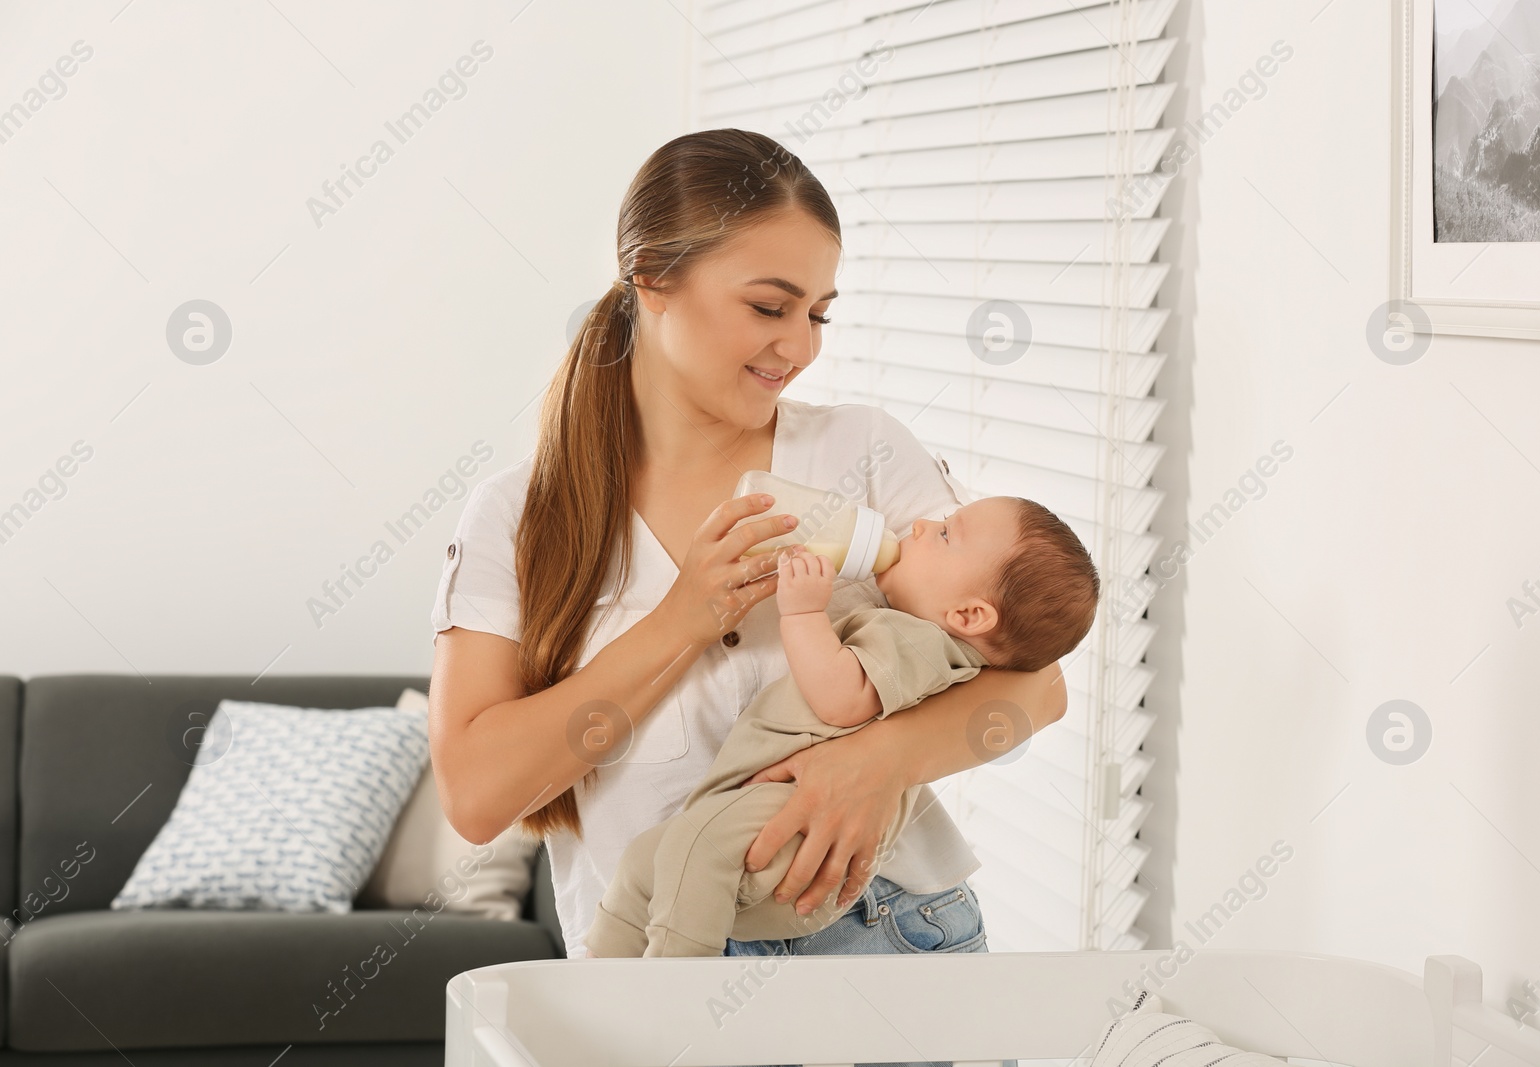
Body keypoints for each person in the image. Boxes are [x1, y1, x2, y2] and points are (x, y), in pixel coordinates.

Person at [428, 128, 1064, 1067]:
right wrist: (683, 619)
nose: (797, 346)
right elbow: (478, 795)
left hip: (885, 944)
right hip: (657, 970)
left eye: (820, 313)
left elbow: (1031, 691)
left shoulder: (863, 453)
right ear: (651, 276)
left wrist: (876, 760)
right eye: (770, 305)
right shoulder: (518, 517)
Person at [586, 494, 1099, 957]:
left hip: (801, 804)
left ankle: (669, 994)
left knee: (696, 848)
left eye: (945, 534)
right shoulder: (924, 641)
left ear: (967, 615)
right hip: (790, 821)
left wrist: (802, 611)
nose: (919, 524)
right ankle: (610, 980)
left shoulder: (921, 642)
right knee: (645, 862)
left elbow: (841, 699)